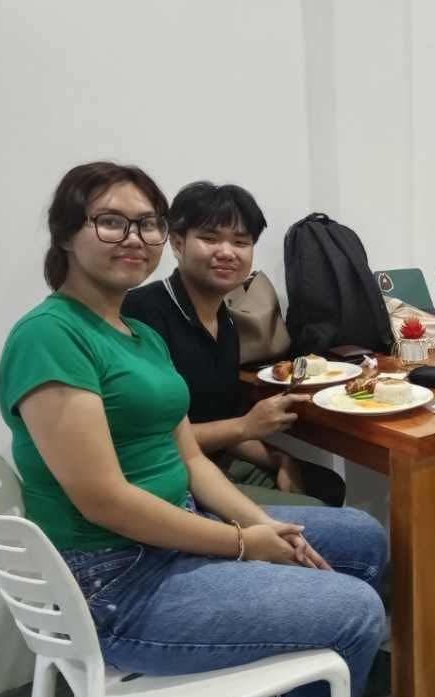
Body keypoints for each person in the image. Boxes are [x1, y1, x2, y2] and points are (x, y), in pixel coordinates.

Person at [0, 162, 387, 697]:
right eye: (112, 222)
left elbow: (188, 458)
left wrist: (253, 524)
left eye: (147, 224)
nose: (135, 238)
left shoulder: (140, 336)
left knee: (363, 539)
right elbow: (102, 499)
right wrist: (241, 543)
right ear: (66, 234)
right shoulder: (50, 336)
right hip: (113, 584)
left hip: (167, 539)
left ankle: (303, 687)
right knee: (356, 611)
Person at [122, 181, 345, 507]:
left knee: (325, 484)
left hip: (216, 457)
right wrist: (246, 425)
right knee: (317, 512)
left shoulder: (225, 320)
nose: (227, 252)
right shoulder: (141, 313)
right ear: (178, 243)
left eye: (241, 242)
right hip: (169, 474)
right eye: (210, 239)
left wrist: (279, 460)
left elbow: (224, 422)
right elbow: (153, 439)